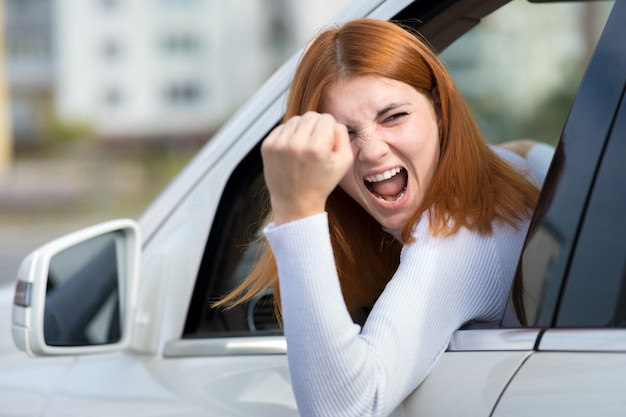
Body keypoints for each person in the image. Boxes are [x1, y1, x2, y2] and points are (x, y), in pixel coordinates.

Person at [216, 18, 544, 417]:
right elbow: (532, 151)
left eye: (394, 117)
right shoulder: (509, 173)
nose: (371, 151)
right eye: (343, 133)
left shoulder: (455, 236)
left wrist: (296, 210)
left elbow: (344, 408)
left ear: (440, 112)